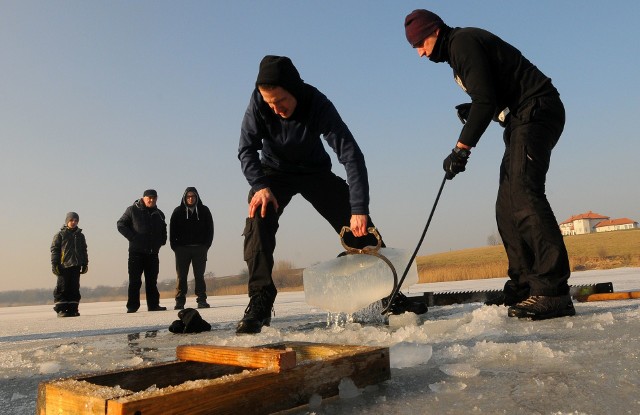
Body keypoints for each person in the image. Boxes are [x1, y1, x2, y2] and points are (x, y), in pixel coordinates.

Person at [404, 10, 573, 320]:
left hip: (537, 110)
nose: (420, 53)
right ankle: (523, 285)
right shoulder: (458, 51)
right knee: (506, 204)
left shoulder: (462, 42)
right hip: (520, 119)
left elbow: (486, 101)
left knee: (524, 192)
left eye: (420, 44)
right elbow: (490, 95)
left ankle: (553, 291)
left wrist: (461, 149)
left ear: (435, 31)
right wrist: (477, 108)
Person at [237, 55, 425, 334]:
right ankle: (261, 299)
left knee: (357, 222)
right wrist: (260, 185)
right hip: (274, 173)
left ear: (295, 90)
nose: (276, 109)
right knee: (258, 217)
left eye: (281, 101)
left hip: (315, 172)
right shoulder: (259, 103)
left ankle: (389, 293)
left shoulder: (317, 103)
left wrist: (358, 208)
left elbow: (351, 155)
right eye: (270, 103)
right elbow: (246, 149)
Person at [117, 189, 168, 313]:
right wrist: (133, 237)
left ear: (156, 198)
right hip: (136, 253)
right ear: (143, 198)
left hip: (153, 253)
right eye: (149, 198)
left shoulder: (159, 214)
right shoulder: (132, 210)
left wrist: (162, 241)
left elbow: (164, 228)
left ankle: (153, 305)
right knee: (135, 281)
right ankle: (132, 306)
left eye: (154, 198)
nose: (151, 200)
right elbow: (120, 224)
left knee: (152, 281)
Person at [169, 187, 214, 310]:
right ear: (184, 198)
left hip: (200, 248)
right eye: (188, 196)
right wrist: (176, 247)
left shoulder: (204, 211)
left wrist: (206, 246)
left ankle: (202, 300)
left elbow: (210, 229)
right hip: (182, 249)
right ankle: (179, 301)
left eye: (193, 196)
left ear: (197, 197)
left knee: (199, 276)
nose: (190, 198)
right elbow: (172, 231)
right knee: (181, 276)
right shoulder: (178, 212)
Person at [50, 212, 88, 317]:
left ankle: (73, 309)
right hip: (64, 266)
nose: (74, 222)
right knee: (63, 287)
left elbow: (84, 250)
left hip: (76, 265)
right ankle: (61, 309)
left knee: (74, 288)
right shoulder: (60, 235)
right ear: (67, 221)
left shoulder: (80, 235)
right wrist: (55, 264)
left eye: (76, 221)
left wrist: (85, 263)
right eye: (71, 220)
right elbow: (55, 250)